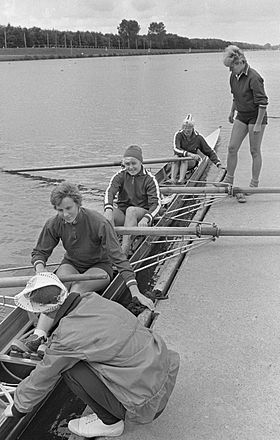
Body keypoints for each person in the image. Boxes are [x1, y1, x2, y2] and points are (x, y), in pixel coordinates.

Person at [4, 273, 180, 438]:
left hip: (145, 405)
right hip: (163, 376)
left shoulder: (66, 337)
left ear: (42, 310)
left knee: (69, 369)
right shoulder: (92, 299)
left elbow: (44, 375)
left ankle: (110, 423)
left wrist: (18, 407)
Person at [11, 182, 154, 357]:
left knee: (77, 288)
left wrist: (135, 291)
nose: (65, 214)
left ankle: (52, 336)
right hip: (71, 264)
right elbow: (40, 252)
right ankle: (39, 336)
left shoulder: (99, 222)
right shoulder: (54, 223)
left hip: (100, 267)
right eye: (59, 210)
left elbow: (119, 258)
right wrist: (41, 273)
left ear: (78, 203)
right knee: (57, 289)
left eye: (68, 208)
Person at [222, 45, 268, 203]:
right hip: (242, 115)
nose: (230, 70)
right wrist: (231, 112)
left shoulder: (254, 77)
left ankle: (254, 184)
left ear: (240, 62)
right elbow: (235, 97)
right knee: (231, 147)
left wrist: (258, 124)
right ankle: (229, 179)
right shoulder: (233, 77)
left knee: (254, 151)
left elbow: (263, 103)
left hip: (257, 116)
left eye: (231, 67)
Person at [104, 145, 161, 256]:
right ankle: (110, 249)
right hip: (124, 215)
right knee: (109, 212)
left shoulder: (150, 179)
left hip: (141, 216)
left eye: (133, 163)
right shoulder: (120, 176)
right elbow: (109, 192)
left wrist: (146, 218)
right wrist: (108, 209)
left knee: (131, 210)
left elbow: (156, 204)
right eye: (127, 164)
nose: (130, 167)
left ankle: (123, 252)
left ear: (141, 162)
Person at [170, 114, 222, 184]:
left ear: (192, 128)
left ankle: (180, 181)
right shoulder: (178, 134)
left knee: (184, 160)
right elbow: (176, 149)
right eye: (184, 127)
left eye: (189, 128)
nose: (186, 130)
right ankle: (172, 180)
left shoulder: (198, 137)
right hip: (179, 160)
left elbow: (209, 152)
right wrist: (189, 154)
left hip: (191, 162)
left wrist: (218, 163)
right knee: (175, 157)